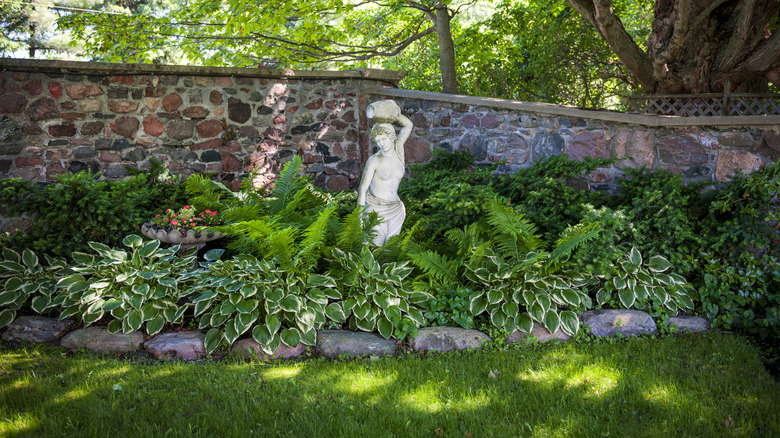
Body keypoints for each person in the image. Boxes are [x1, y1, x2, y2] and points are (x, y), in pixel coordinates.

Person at [357, 100, 413, 246]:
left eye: (384, 138)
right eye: (378, 141)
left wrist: (395, 114)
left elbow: (408, 125)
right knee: (375, 249)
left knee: (390, 253)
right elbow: (362, 189)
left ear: (391, 136)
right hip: (376, 210)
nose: (381, 143)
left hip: (396, 209)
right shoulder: (374, 160)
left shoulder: (398, 151)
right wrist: (359, 217)